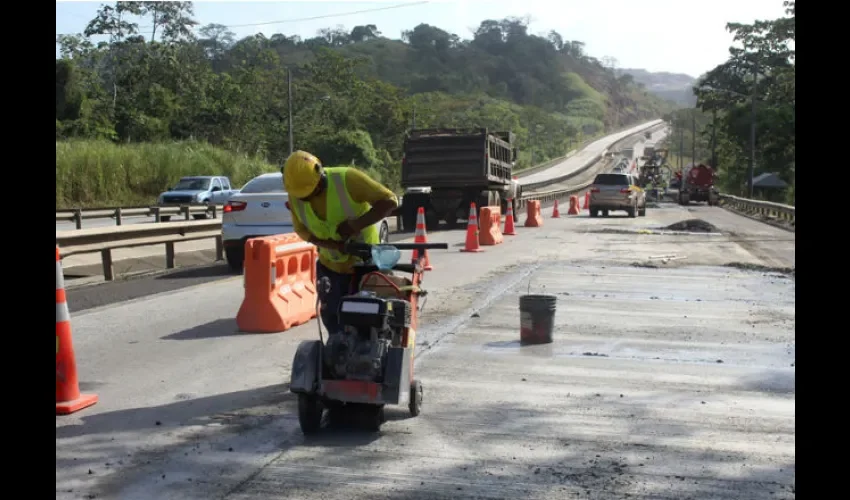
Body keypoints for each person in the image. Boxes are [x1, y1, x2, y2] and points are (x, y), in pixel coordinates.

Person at [283, 150, 399, 334]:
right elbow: (303, 231)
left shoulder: (347, 180)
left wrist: (355, 225)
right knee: (334, 320)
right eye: (304, 197)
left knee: (373, 321)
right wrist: (334, 245)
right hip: (331, 268)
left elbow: (389, 201)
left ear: (320, 175)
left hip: (366, 265)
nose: (308, 199)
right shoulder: (295, 194)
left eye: (313, 192)